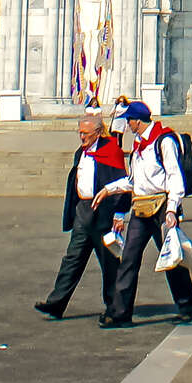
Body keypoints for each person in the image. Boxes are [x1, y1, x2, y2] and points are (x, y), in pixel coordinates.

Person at [102, 101, 192, 328]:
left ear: (137, 121)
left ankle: (187, 306)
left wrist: (172, 209)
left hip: (162, 206)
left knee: (172, 256)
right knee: (129, 258)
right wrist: (108, 189)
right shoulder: (138, 145)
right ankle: (120, 313)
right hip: (141, 206)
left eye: (129, 120)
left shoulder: (164, 141)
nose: (127, 124)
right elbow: (135, 181)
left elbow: (174, 177)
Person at [35, 114, 128, 320]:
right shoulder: (81, 152)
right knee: (72, 258)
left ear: (98, 132)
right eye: (80, 133)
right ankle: (56, 303)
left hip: (103, 212)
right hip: (83, 211)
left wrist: (119, 214)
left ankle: (114, 307)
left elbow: (122, 184)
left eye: (85, 133)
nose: (82, 137)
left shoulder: (111, 151)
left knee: (109, 262)